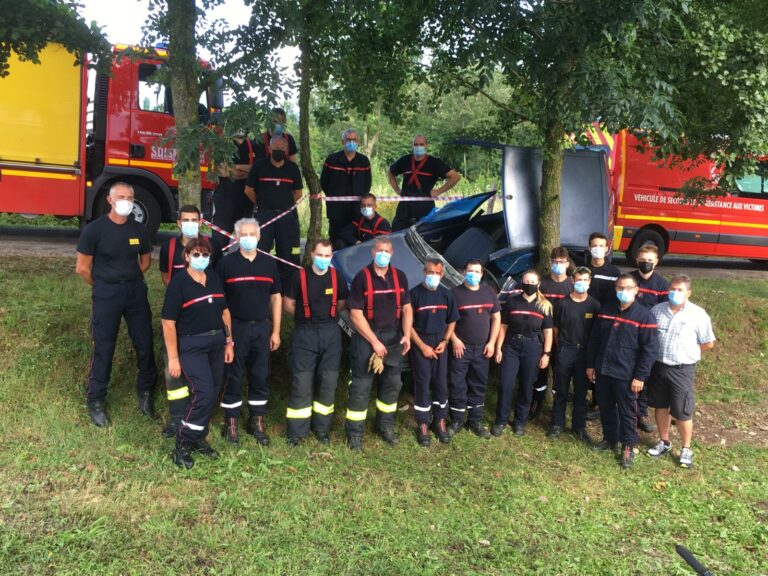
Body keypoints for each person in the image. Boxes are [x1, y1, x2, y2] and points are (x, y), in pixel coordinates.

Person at [75, 182, 157, 427]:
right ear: (110, 200)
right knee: (104, 346)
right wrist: (103, 284)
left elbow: (145, 262)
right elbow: (82, 268)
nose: (126, 201)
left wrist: (127, 277)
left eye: (130, 197)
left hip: (134, 291)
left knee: (144, 343)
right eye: (121, 197)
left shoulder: (138, 229)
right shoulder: (94, 230)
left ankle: (146, 393)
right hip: (106, 293)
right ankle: (96, 399)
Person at [161, 237, 234, 469]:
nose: (200, 258)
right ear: (186, 256)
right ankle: (182, 444)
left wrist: (229, 341)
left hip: (216, 343)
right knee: (202, 394)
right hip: (192, 345)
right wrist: (173, 357)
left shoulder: (213, 277)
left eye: (205, 254)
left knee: (212, 393)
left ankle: (198, 437)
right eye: (196, 254)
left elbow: (224, 311)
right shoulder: (178, 283)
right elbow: (168, 322)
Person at [216, 218, 282, 446]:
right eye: (243, 234)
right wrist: (227, 336)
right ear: (236, 237)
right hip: (237, 327)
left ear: (259, 236)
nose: (248, 238)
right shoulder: (226, 264)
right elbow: (220, 303)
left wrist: (276, 331)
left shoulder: (269, 263)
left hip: (262, 327)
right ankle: (231, 422)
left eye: (252, 234)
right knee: (233, 374)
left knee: (260, 374)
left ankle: (256, 420)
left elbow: (276, 298)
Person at [158, 204, 222, 437]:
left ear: (201, 221)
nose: (190, 224)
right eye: (186, 219)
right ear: (178, 223)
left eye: (194, 219)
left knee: (203, 376)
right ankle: (177, 419)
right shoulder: (170, 247)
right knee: (174, 371)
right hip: (177, 318)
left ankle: (198, 417)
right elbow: (166, 277)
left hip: (204, 322)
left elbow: (215, 279)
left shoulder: (211, 246)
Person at [345, 237, 413, 451]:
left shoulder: (399, 277)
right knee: (361, 386)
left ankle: (384, 426)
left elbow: (407, 308)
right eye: (380, 250)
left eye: (387, 250)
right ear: (373, 252)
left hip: (393, 337)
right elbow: (355, 315)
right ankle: (354, 433)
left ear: (392, 254)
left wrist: (407, 335)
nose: (383, 254)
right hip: (368, 337)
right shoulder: (361, 278)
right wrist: (374, 342)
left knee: (392, 384)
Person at [586, 274, 659, 468]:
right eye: (619, 288)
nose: (623, 292)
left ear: (636, 290)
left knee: (627, 412)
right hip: (603, 369)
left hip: (627, 375)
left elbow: (649, 350)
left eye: (627, 288)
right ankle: (609, 439)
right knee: (606, 406)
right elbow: (595, 339)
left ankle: (628, 444)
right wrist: (591, 365)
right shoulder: (606, 310)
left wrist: (640, 376)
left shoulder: (645, 316)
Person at [282, 239, 349, 446]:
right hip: (305, 333)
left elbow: (341, 303)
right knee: (302, 382)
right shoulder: (298, 276)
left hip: (330, 333)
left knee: (328, 383)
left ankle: (322, 429)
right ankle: (297, 432)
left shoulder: (337, 276)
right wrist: (305, 318)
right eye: (320, 255)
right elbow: (288, 304)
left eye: (327, 256)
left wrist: (325, 319)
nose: (323, 259)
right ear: (311, 254)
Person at [647, 275, 715, 468]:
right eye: (672, 289)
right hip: (659, 366)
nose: (675, 293)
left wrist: (689, 352)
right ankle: (664, 441)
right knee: (660, 405)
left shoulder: (698, 314)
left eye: (680, 290)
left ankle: (686, 448)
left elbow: (708, 343)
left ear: (688, 293)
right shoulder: (657, 310)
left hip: (682, 369)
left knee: (681, 410)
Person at [492, 270, 554, 436]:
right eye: (526, 281)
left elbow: (548, 333)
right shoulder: (512, 302)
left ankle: (520, 422)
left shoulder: (545, 306)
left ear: (538, 284)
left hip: (533, 348)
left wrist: (546, 354)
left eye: (533, 282)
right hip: (511, 346)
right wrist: (498, 348)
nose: (529, 285)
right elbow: (503, 327)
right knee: (505, 384)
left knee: (526, 386)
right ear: (522, 282)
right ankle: (501, 420)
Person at [408, 258, 459, 446]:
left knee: (441, 383)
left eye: (437, 273)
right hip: (421, 342)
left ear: (442, 275)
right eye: (430, 272)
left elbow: (452, 320)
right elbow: (408, 325)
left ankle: (440, 420)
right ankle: (422, 423)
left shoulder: (447, 295)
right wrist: (422, 346)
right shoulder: (414, 295)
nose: (434, 276)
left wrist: (446, 341)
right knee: (422, 383)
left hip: (440, 343)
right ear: (424, 272)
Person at [448, 260, 501, 438]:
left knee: (478, 384)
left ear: (482, 274)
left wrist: (492, 342)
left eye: (477, 272)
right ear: (464, 272)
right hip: (460, 349)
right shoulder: (454, 294)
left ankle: (475, 421)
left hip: (482, 349)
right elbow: (446, 321)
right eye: (470, 271)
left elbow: (496, 318)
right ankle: (456, 419)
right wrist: (454, 339)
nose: (473, 274)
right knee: (457, 384)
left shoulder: (489, 293)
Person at [548, 267, 601, 442]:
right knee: (561, 389)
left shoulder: (594, 305)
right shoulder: (562, 304)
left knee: (581, 392)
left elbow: (596, 333)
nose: (582, 283)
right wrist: (561, 347)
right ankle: (557, 424)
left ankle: (579, 427)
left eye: (585, 280)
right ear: (572, 281)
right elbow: (555, 328)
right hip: (565, 350)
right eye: (579, 279)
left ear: (590, 282)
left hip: (584, 353)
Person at [245, 135, 303, 287]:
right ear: (269, 149)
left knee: (285, 252)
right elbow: (249, 190)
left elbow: (298, 193)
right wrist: (261, 203)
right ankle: (262, 283)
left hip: (285, 217)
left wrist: (284, 206)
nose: (279, 152)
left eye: (282, 149)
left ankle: (284, 287)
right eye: (276, 149)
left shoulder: (292, 168)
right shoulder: (259, 166)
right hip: (264, 215)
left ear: (286, 150)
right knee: (263, 251)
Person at [530, 246, 573, 419]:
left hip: (563, 337)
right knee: (539, 373)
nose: (558, 265)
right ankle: (536, 405)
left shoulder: (572, 284)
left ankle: (557, 411)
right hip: (541, 335)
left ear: (567, 263)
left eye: (562, 262)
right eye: (555, 262)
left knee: (560, 374)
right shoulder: (544, 283)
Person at [630, 243, 670, 433]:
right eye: (643, 260)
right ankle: (625, 410)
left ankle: (641, 414)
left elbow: (665, 311)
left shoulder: (662, 285)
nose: (646, 263)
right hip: (629, 336)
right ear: (637, 260)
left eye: (650, 261)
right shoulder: (629, 279)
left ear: (657, 262)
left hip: (649, 337)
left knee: (644, 376)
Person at [387, 134, 461, 231]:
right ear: (412, 145)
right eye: (416, 144)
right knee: (397, 234)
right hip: (405, 207)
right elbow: (390, 172)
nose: (418, 147)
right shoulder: (405, 160)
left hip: (425, 207)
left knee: (424, 236)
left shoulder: (434, 162)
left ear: (426, 145)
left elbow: (455, 177)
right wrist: (396, 189)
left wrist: (438, 191)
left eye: (421, 144)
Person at [320, 128, 372, 247]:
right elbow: (324, 182)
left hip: (357, 211)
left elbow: (367, 184)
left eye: (354, 139)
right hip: (336, 212)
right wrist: (334, 197)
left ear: (358, 142)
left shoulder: (363, 161)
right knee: (336, 241)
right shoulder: (332, 160)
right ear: (342, 142)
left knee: (355, 242)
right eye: (348, 139)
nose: (351, 142)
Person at [211, 131, 256, 247]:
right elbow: (223, 172)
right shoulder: (222, 146)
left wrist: (234, 167)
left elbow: (256, 170)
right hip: (224, 202)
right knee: (219, 243)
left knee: (247, 244)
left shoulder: (255, 145)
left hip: (246, 202)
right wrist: (245, 171)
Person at [586, 232, 621, 305]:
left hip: (605, 312)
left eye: (601, 246)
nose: (598, 249)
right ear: (589, 248)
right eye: (595, 246)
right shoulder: (583, 270)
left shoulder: (614, 272)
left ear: (606, 249)